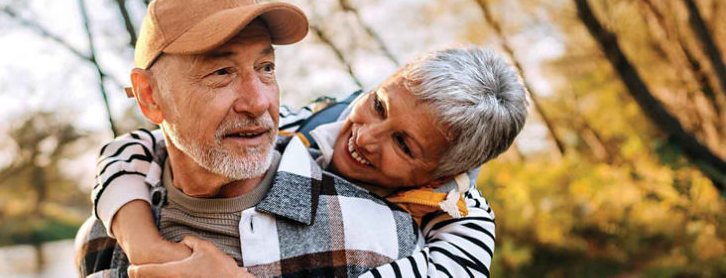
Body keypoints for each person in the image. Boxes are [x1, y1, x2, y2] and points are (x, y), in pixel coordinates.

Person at [74, 0, 426, 278]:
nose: (258, 103)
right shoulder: (102, 240)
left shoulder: (376, 237)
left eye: (266, 67)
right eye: (221, 72)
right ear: (150, 97)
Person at [92, 48, 528, 277]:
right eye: (378, 105)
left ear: (441, 175)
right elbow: (131, 146)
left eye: (403, 144)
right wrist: (143, 242)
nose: (363, 134)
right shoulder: (317, 121)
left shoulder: (462, 226)